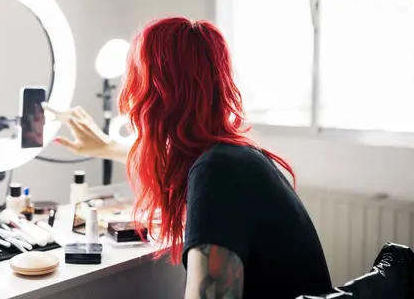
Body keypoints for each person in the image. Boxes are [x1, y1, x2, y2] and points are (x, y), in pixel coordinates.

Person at [43, 17, 332, 299]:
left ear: (156, 94)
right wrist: (105, 147)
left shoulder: (217, 173)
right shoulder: (233, 159)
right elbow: (172, 159)